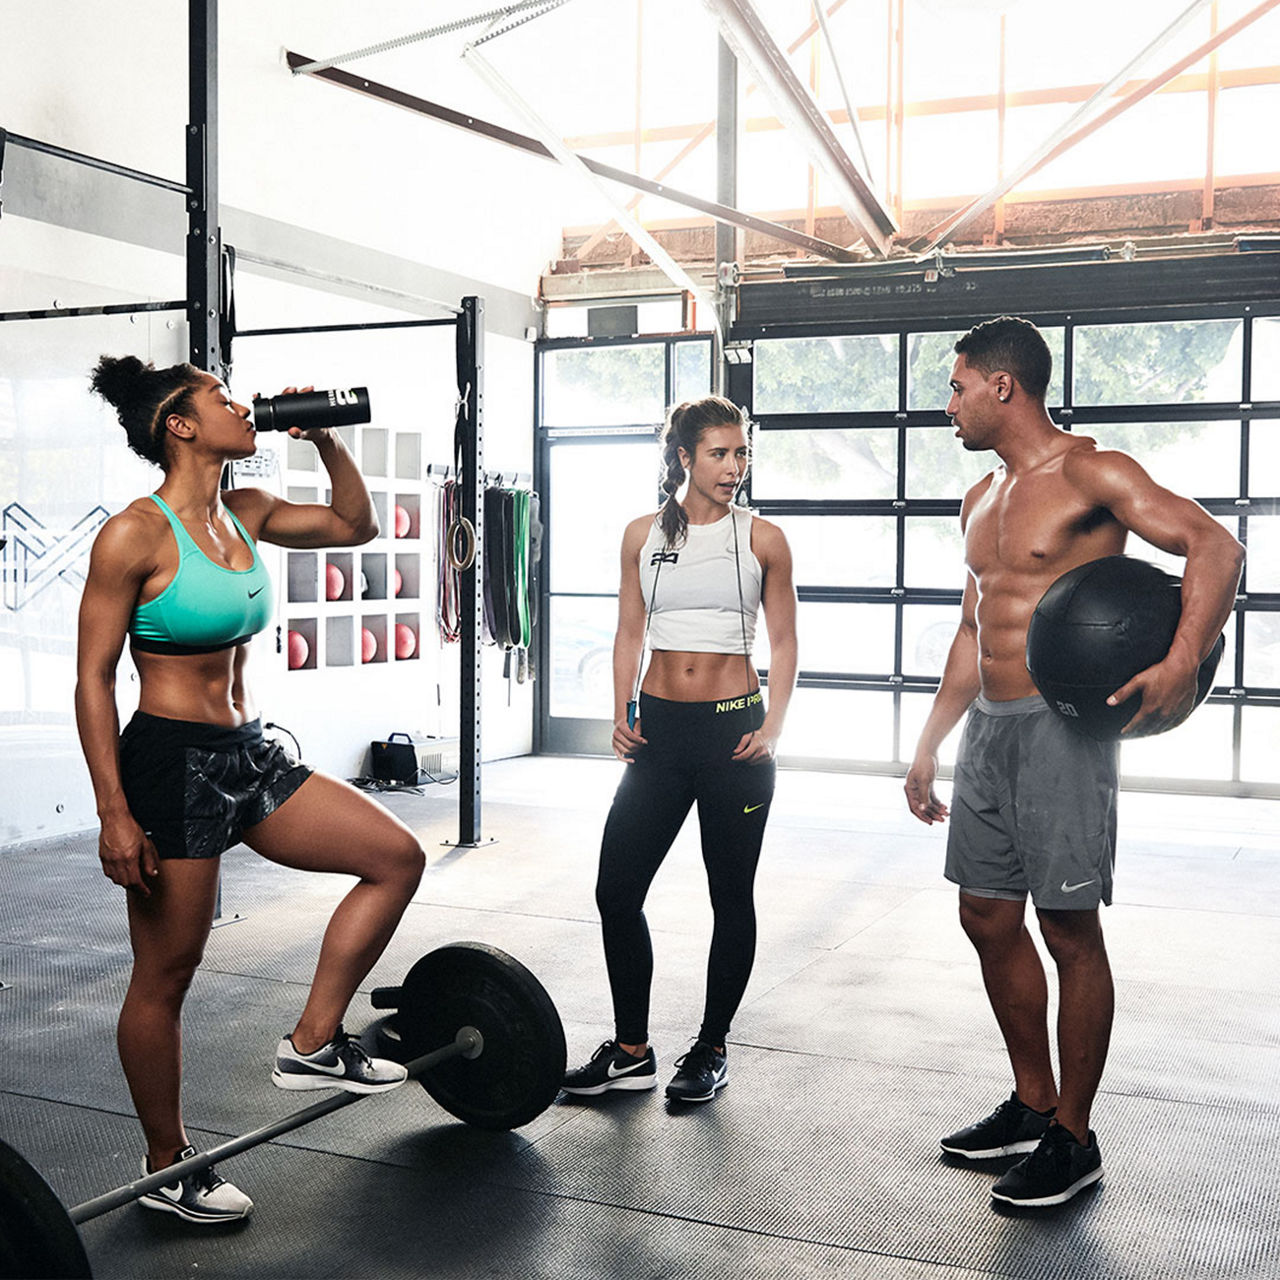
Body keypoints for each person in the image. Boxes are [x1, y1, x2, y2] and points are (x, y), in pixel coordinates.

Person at [76, 356, 427, 1225]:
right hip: (169, 763)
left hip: (248, 751)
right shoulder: (135, 534)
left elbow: (354, 525)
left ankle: (312, 1042)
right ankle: (168, 1164)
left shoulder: (247, 512)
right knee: (167, 973)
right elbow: (92, 681)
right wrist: (114, 814)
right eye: (222, 399)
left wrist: (327, 440)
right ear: (181, 427)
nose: (246, 407)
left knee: (395, 857)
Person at [904, 317, 1243, 1208]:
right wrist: (928, 745)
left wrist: (1181, 659)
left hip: (1064, 730)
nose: (950, 405)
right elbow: (975, 632)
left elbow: (1217, 547)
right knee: (985, 915)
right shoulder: (978, 498)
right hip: (990, 726)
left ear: (1002, 387)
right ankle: (1030, 1100)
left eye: (958, 386)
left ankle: (1075, 1137)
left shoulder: (1094, 473)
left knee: (1067, 930)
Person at [562, 396, 798, 1105]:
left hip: (735, 736)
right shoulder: (641, 536)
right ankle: (631, 1050)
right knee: (616, 890)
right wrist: (620, 708)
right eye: (721, 453)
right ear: (684, 458)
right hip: (660, 736)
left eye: (742, 453)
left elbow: (783, 643)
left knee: (731, 896)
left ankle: (711, 1046)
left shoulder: (763, 539)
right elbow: (629, 632)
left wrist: (776, 725)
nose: (735, 467)